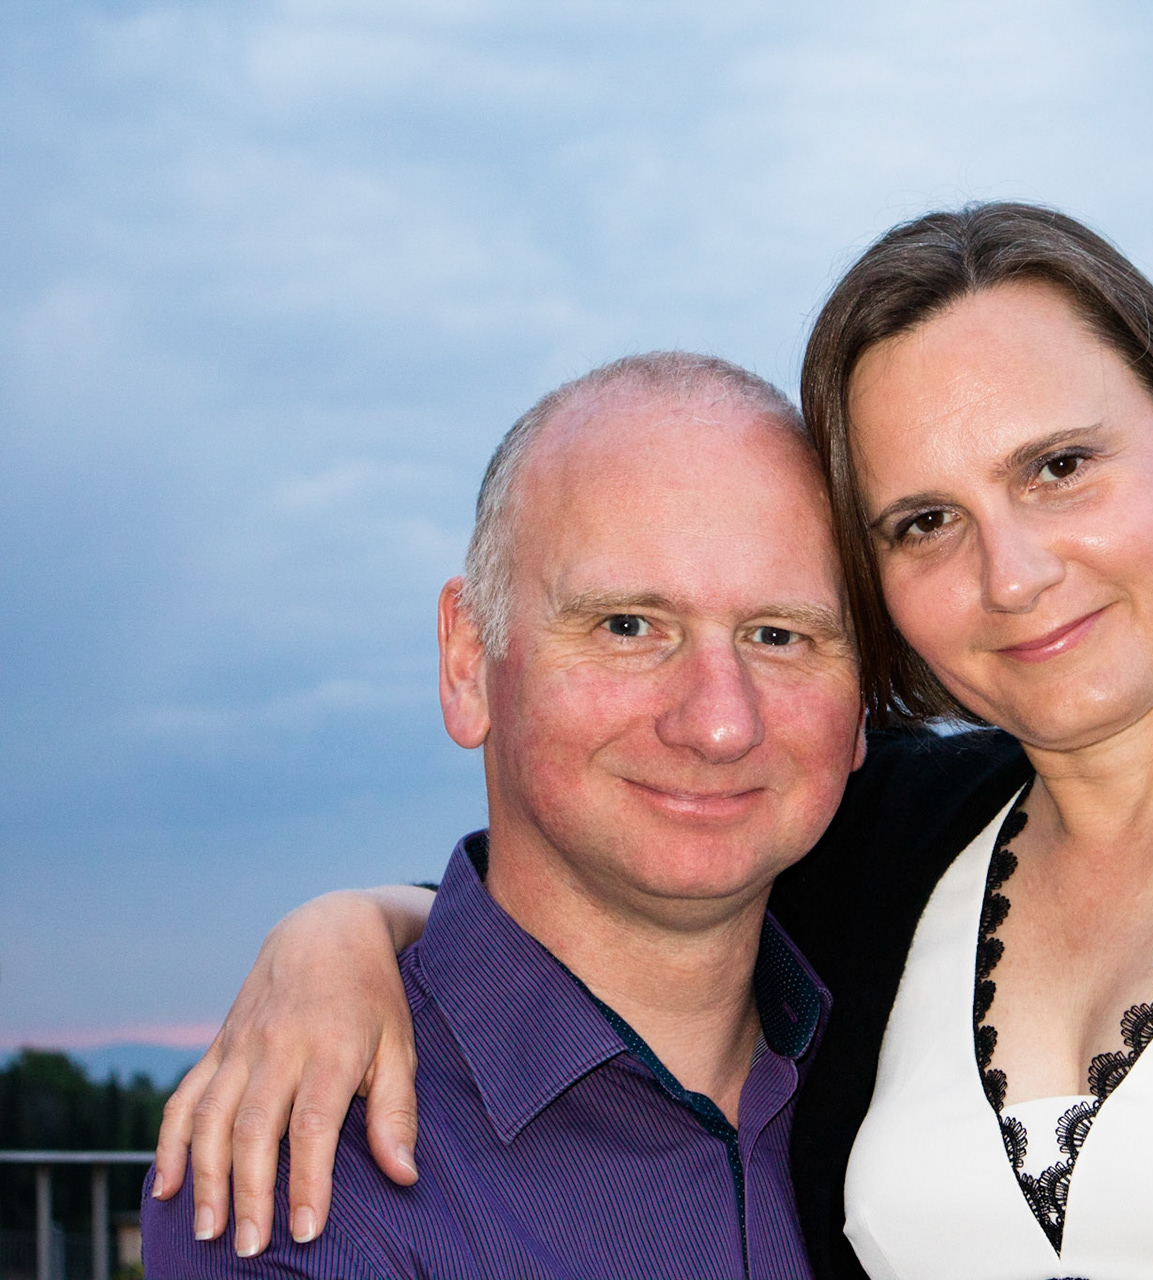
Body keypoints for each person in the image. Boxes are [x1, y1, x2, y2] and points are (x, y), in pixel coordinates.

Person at [156, 203, 1153, 1279]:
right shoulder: (891, 847)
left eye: (1061, 466)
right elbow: (633, 879)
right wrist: (349, 936)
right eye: (926, 521)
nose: (1012, 572)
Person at [140, 353, 867, 1277]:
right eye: (628, 626)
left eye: (779, 636)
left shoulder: (924, 1044)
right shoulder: (309, 1177)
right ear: (468, 661)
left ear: (863, 710)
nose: (720, 721)